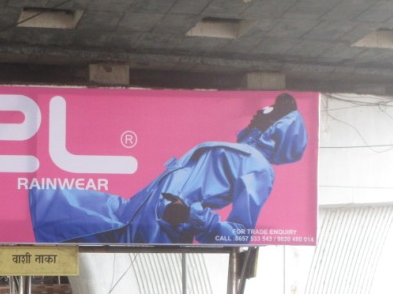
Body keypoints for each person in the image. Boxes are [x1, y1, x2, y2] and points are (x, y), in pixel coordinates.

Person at [29, 93, 308, 244]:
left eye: (270, 111)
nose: (260, 112)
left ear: (278, 130)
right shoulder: (239, 152)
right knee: (49, 201)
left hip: (155, 230)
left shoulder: (258, 168)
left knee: (51, 209)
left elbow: (240, 235)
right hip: (130, 212)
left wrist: (192, 215)